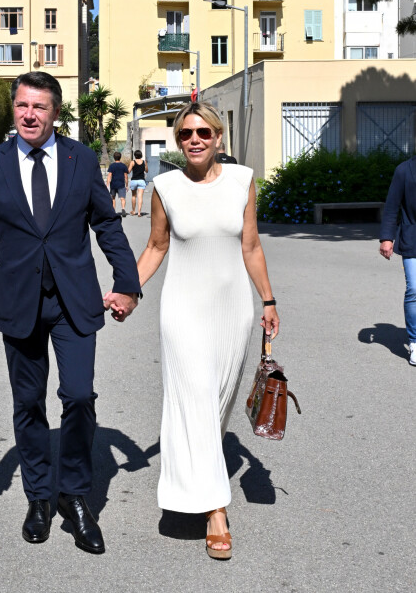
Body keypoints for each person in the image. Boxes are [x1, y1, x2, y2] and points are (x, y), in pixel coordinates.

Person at [0, 71, 140, 555]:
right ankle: (38, 498)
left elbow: (107, 225)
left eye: (40, 107)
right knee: (29, 405)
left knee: (77, 396)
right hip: (20, 302)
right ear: (14, 109)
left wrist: (128, 283)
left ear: (55, 113)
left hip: (74, 301)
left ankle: (74, 495)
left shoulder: (80, 159)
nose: (30, 115)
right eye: (22, 106)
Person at [136, 101, 278, 560]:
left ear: (219, 137)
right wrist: (126, 290)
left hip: (232, 309)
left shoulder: (242, 181)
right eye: (185, 135)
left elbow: (251, 245)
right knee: (194, 397)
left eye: (203, 132)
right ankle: (215, 511)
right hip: (182, 311)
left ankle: (199, 477)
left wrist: (269, 300)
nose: (194, 140)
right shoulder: (165, 186)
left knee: (216, 404)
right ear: (177, 142)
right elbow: (156, 246)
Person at [379, 156, 416, 365]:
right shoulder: (404, 170)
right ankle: (414, 342)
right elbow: (392, 206)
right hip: (412, 238)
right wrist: (386, 238)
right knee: (414, 289)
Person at [106, 151, 129, 217]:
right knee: (122, 198)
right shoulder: (123, 166)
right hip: (121, 184)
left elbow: (109, 175)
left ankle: (113, 211)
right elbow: (126, 176)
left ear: (114, 158)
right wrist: (126, 185)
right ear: (120, 157)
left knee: (113, 198)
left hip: (113, 184)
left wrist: (107, 184)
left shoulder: (112, 166)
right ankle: (123, 209)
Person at [128, 150, 148, 216]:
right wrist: (145, 165)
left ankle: (133, 211)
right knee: (140, 197)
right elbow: (147, 171)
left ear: (135, 155)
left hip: (134, 180)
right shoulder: (144, 162)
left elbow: (128, 171)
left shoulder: (132, 162)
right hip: (141, 181)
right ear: (141, 155)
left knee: (134, 196)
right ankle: (139, 212)